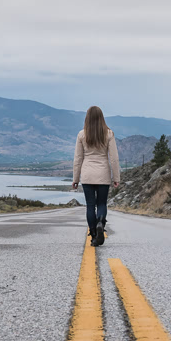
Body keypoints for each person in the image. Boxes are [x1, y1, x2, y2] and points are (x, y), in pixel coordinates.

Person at [71, 106, 120, 247]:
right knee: (102, 204)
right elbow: (114, 158)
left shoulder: (81, 135)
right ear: (101, 118)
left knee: (90, 205)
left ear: (87, 118)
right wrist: (116, 177)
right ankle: (100, 222)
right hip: (103, 173)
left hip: (87, 175)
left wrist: (75, 179)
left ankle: (93, 234)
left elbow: (78, 159)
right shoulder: (109, 134)